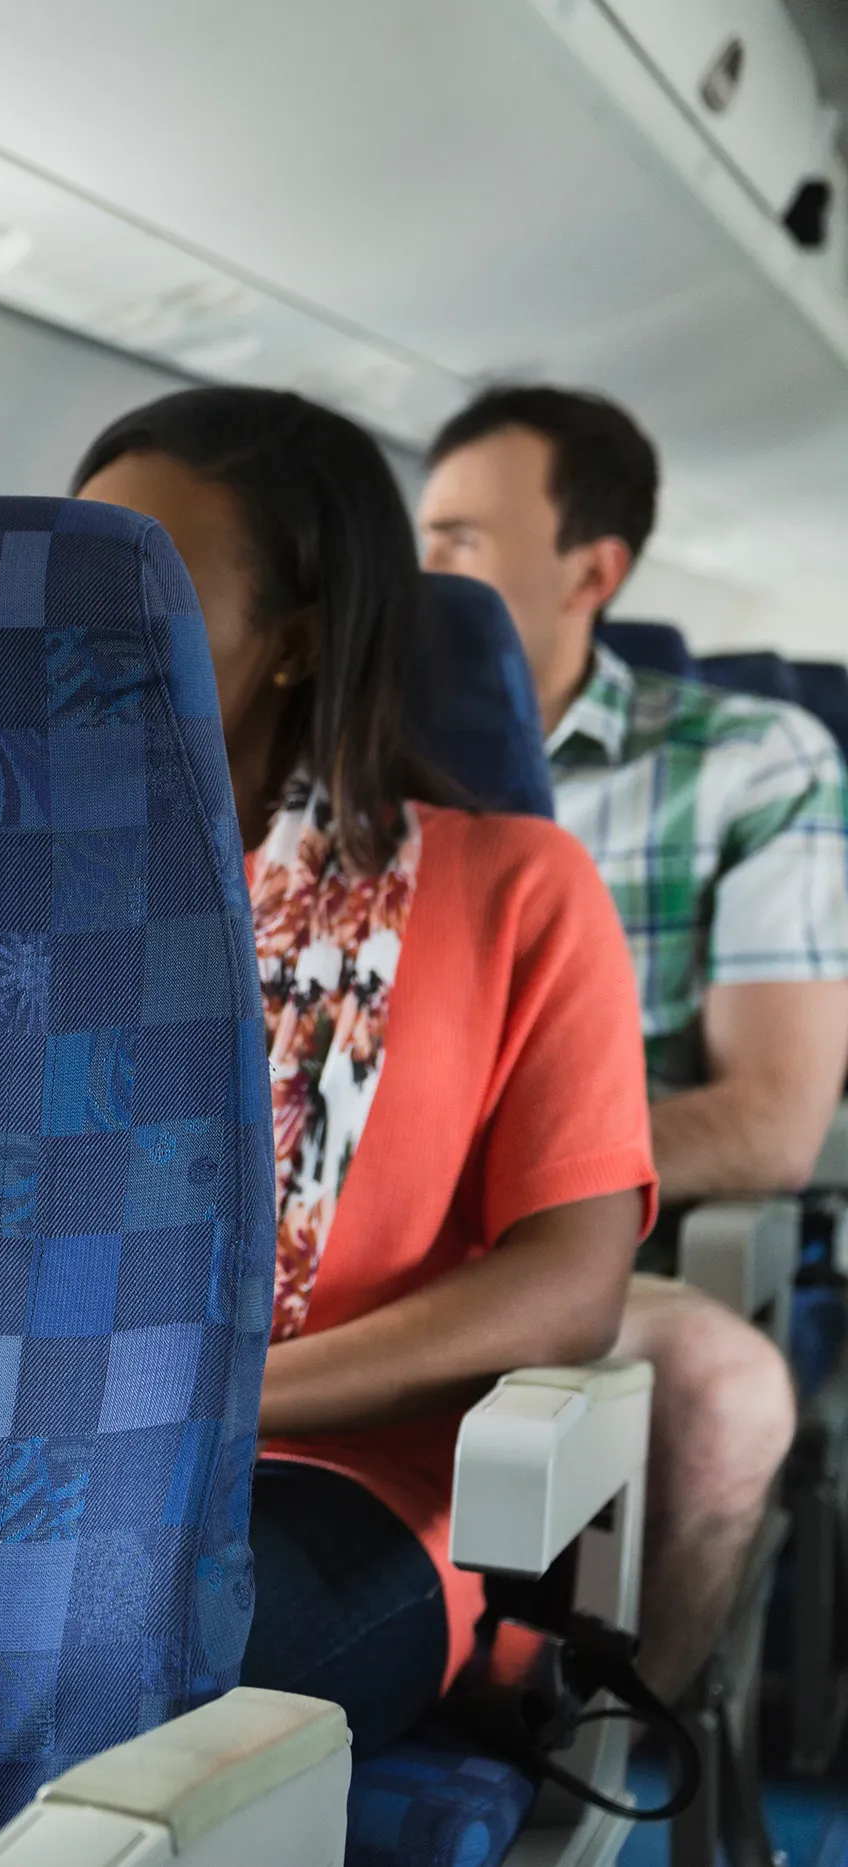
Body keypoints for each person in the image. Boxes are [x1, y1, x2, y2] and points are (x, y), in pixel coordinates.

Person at [75, 386, 656, 1748]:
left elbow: (568, 1285)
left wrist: (216, 1393)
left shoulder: (521, 890)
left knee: (100, 1699)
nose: (76, 621)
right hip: (21, 1457)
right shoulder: (13, 882)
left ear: (298, 639)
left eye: (138, 583)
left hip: (338, 1476)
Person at [422, 385, 844, 1697]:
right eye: (419, 539)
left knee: (728, 1397)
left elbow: (772, 1117)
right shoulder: (365, 753)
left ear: (592, 569)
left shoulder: (754, 760)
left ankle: (599, 1743)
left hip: (606, 1241)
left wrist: (484, 1183)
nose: (424, 574)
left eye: (462, 542)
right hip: (376, 1236)